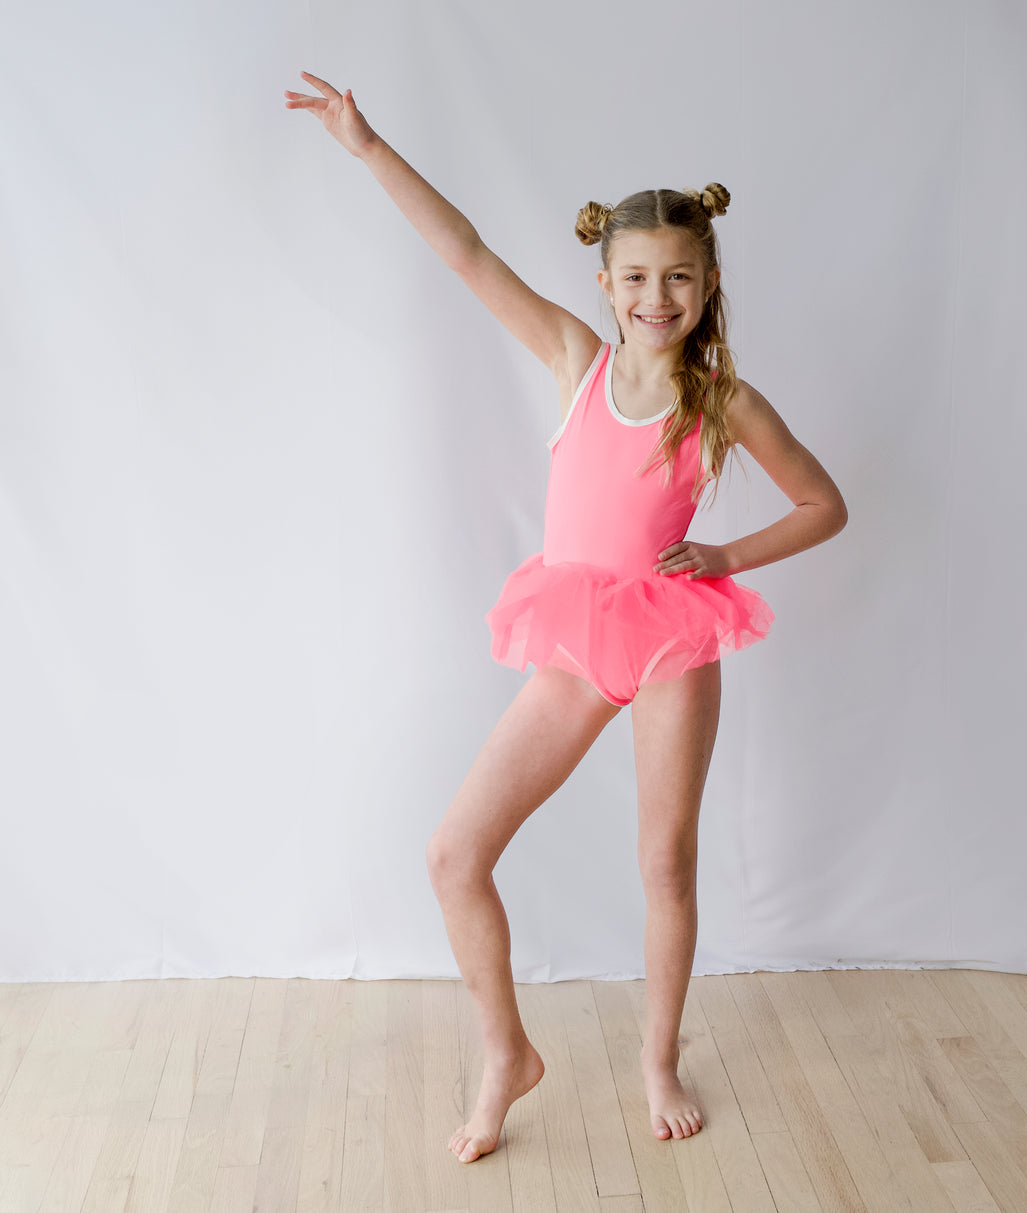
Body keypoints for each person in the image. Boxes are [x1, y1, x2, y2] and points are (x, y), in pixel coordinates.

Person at [284, 72, 848, 1163]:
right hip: (578, 640)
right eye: (636, 276)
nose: (656, 295)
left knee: (663, 861)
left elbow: (824, 503)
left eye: (677, 276)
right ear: (603, 282)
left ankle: (656, 1057)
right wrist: (367, 145)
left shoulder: (721, 398)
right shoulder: (574, 360)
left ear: (706, 280)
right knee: (455, 852)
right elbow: (466, 252)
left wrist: (727, 553)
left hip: (675, 639)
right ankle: (506, 1051)